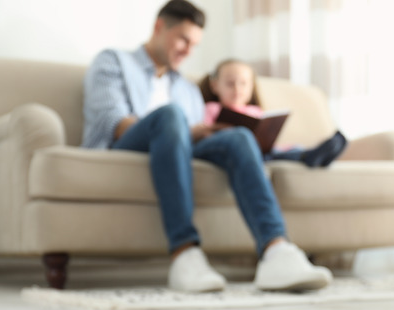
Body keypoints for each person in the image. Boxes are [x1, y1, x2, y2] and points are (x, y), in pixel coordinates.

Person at [81, 0, 332, 293]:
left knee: (238, 137)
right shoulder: (113, 61)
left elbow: (187, 137)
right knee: (170, 115)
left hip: (177, 148)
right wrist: (181, 128)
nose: (188, 51)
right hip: (126, 145)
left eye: (195, 45)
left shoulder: (187, 89)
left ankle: (277, 251)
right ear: (159, 27)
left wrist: (204, 133)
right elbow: (113, 123)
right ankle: (185, 253)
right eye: (183, 40)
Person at [199, 59, 348, 167]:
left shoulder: (255, 111)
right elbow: (205, 134)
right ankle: (309, 157)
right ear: (215, 86)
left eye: (243, 83)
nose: (237, 89)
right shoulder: (212, 109)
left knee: (288, 148)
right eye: (230, 84)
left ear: (251, 86)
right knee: (273, 156)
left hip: (265, 150)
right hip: (240, 153)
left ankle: (317, 151)